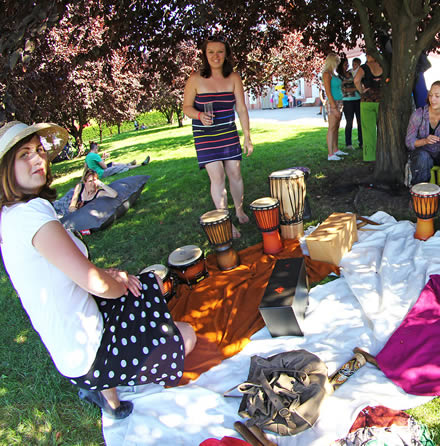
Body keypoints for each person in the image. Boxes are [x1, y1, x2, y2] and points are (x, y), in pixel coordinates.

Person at [0, 121, 196, 420]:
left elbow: (71, 271)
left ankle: (113, 403)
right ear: (4, 169)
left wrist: (111, 276)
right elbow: (98, 285)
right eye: (24, 154)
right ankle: (105, 382)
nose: (38, 159)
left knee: (140, 286)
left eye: (39, 150)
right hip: (89, 354)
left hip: (73, 349)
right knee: (185, 334)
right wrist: (115, 282)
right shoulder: (30, 217)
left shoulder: (12, 215)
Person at [183, 37, 254, 238]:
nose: (216, 56)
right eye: (211, 52)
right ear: (205, 55)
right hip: (205, 137)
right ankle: (226, 220)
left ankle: (239, 210)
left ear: (226, 54)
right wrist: (198, 115)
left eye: (220, 52)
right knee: (218, 177)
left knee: (235, 174)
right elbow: (186, 107)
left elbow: (241, 108)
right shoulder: (195, 78)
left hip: (228, 134)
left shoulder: (234, 77)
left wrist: (247, 137)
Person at [405, 81, 440, 191]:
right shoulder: (419, 114)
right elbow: (409, 142)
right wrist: (425, 141)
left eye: (437, 96)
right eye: (430, 95)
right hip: (422, 153)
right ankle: (421, 193)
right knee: (423, 158)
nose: (432, 99)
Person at [354, 52, 384, 162]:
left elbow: (356, 80)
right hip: (381, 102)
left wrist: (361, 91)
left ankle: (370, 158)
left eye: (367, 54)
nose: (366, 56)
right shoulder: (384, 66)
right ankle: (383, 155)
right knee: (383, 130)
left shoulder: (364, 68)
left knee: (368, 132)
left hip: (367, 101)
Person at [321, 54, 347, 161]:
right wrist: (334, 107)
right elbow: (327, 91)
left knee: (336, 126)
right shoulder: (327, 74)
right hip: (333, 102)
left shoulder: (334, 74)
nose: (338, 64)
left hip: (339, 102)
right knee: (331, 128)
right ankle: (330, 154)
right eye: (336, 62)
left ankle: (336, 149)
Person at [341, 58, 362, 150]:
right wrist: (355, 88)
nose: (347, 66)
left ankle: (361, 142)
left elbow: (360, 84)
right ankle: (348, 143)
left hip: (357, 99)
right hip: (347, 101)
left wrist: (353, 89)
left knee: (360, 121)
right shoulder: (340, 76)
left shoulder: (353, 73)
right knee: (349, 122)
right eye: (345, 65)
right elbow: (342, 89)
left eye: (348, 65)